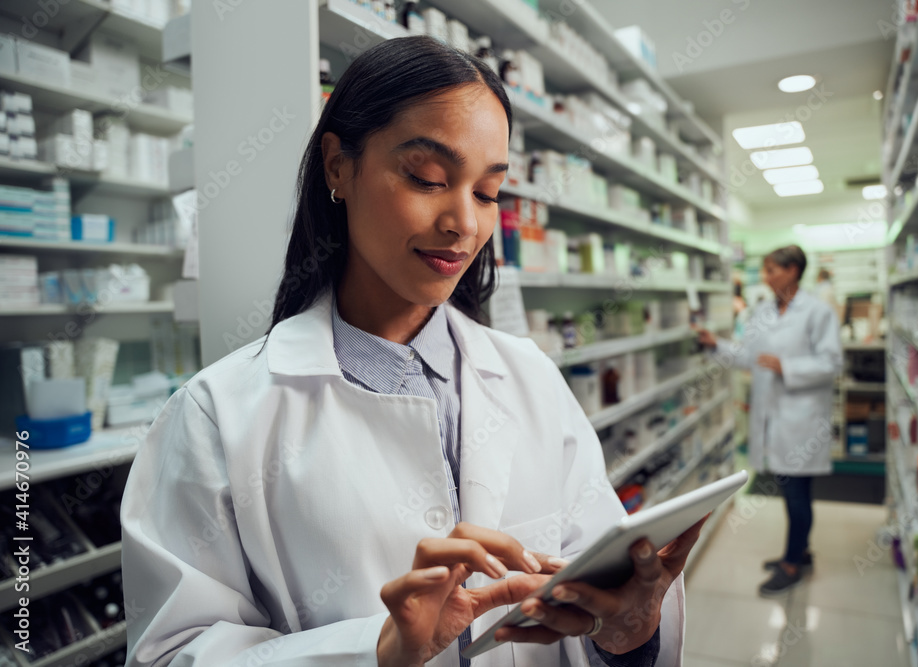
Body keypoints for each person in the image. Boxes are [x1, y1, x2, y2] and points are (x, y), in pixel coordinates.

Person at [120, 36, 704, 667]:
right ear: (339, 166)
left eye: (486, 192)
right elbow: (168, 655)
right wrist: (376, 650)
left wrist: (630, 635)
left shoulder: (528, 375)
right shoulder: (218, 416)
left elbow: (601, 590)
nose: (464, 223)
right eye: (428, 178)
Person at [696, 245, 842, 596]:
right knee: (792, 492)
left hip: (800, 421)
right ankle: (799, 553)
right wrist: (716, 344)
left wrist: (787, 367)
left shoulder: (818, 312)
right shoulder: (762, 310)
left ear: (792, 271)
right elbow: (749, 356)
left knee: (796, 496)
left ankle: (792, 564)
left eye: (772, 270)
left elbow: (832, 364)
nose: (766, 277)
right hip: (772, 418)